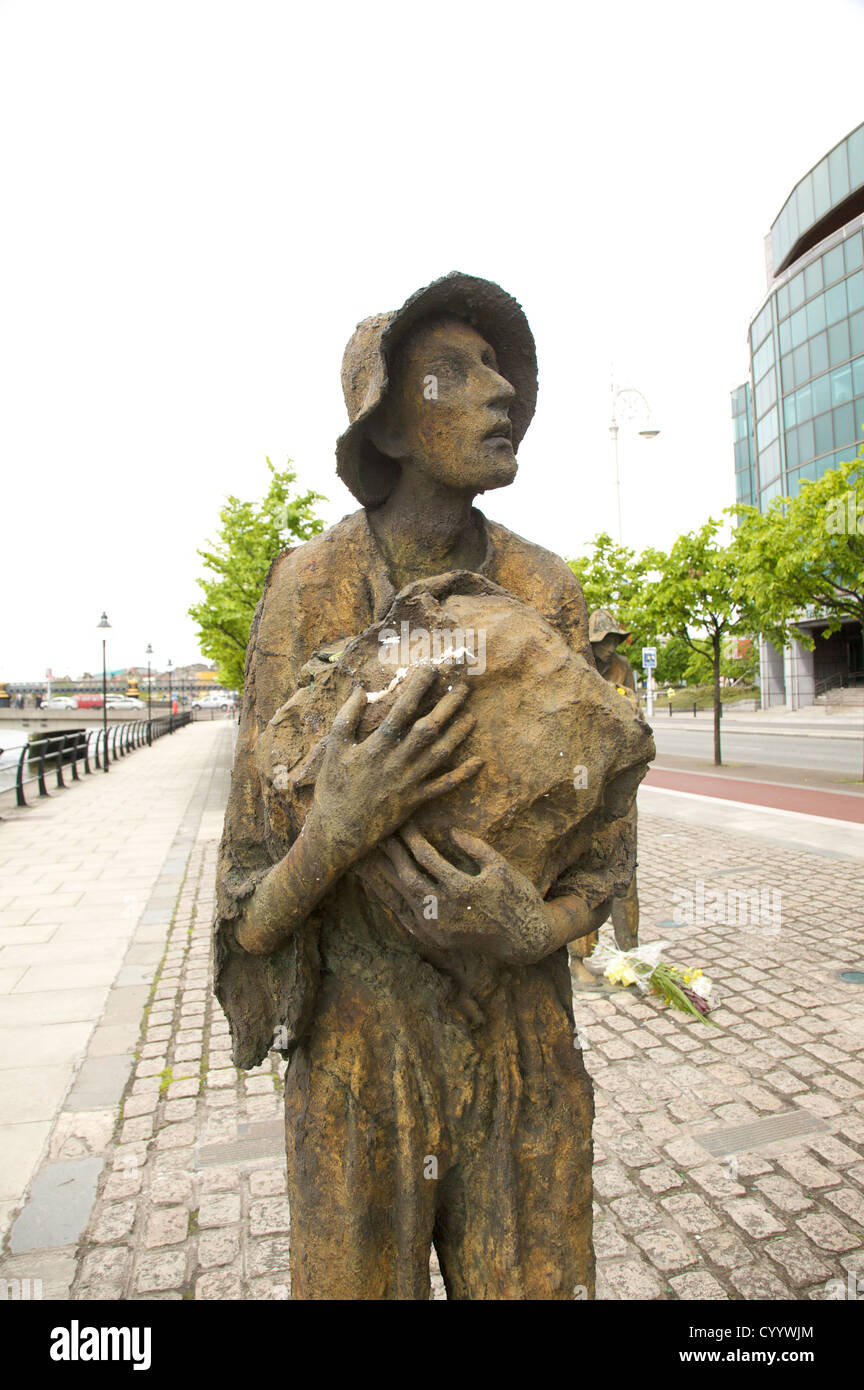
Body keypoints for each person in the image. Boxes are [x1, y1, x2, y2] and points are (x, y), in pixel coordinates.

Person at [214, 273, 652, 1300]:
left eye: (498, 370)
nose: (497, 392)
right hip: (360, 1056)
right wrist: (336, 830)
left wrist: (536, 929)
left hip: (521, 1046)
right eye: (451, 374)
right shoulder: (305, 589)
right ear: (390, 428)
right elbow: (249, 910)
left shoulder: (547, 592)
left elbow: (612, 844)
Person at [585, 609, 642, 954]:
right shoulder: (579, 664)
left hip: (621, 778)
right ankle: (580, 956)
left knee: (625, 867)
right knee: (587, 869)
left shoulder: (623, 668)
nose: (609, 649)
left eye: (613, 642)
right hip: (588, 783)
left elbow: (637, 719)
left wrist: (625, 701)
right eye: (603, 642)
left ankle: (629, 952)